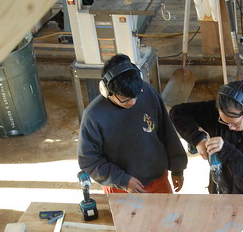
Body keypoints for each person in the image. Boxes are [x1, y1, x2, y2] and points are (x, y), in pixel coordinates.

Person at [78, 54, 187, 194]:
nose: (133, 102)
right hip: (120, 186)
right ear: (107, 91)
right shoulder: (93, 116)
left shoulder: (147, 92)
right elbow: (89, 161)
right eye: (125, 99)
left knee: (167, 215)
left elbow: (167, 132)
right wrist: (122, 180)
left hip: (157, 178)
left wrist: (178, 167)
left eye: (136, 96)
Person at [169, 79, 243, 211]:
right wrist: (197, 140)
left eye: (235, 124)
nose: (230, 127)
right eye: (224, 122)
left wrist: (226, 150)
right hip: (220, 192)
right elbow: (177, 112)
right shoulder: (218, 113)